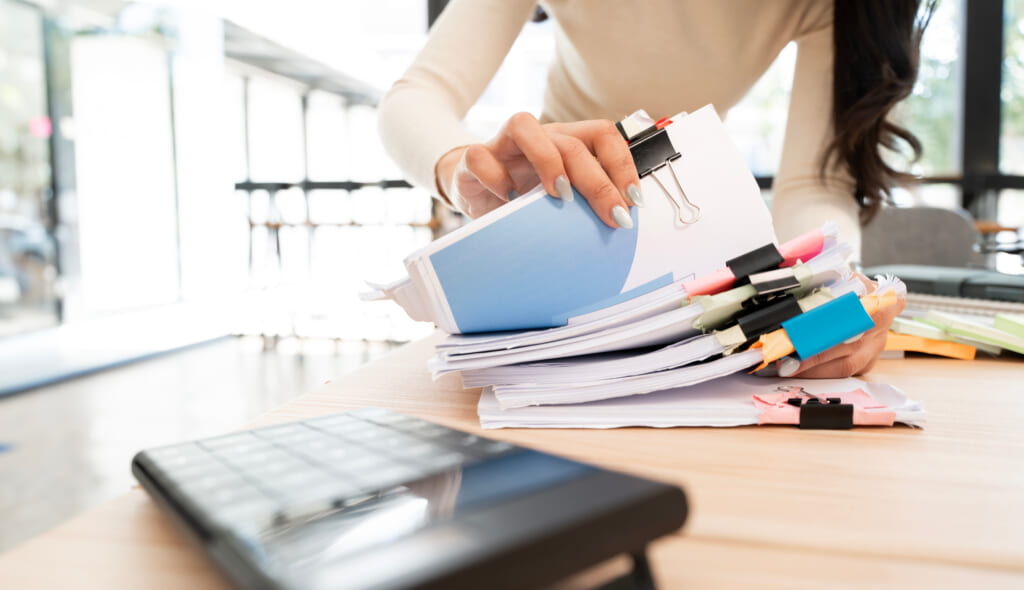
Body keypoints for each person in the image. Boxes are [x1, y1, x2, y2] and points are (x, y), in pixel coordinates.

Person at [378, 0, 930, 378]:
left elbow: (815, 180)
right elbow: (417, 95)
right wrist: (470, 177)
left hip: (684, 266)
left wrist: (834, 285)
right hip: (545, 219)